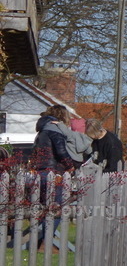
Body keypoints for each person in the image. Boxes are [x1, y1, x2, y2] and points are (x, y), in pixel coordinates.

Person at [30, 105, 79, 251]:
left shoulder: (42, 131)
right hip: (54, 172)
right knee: (57, 208)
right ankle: (46, 242)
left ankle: (41, 241)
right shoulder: (54, 129)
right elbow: (61, 151)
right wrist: (70, 165)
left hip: (41, 172)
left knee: (46, 209)